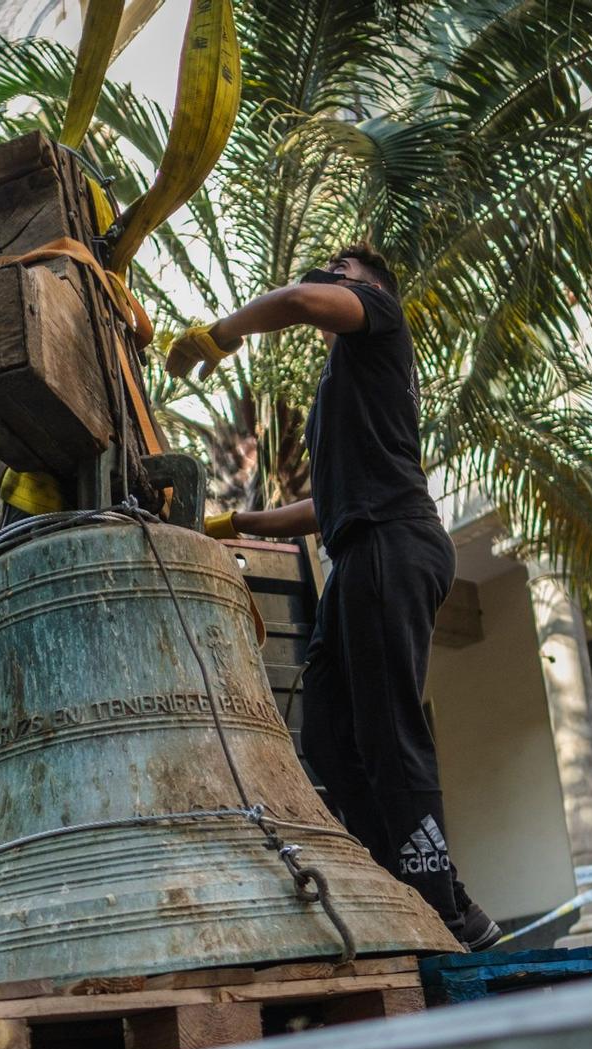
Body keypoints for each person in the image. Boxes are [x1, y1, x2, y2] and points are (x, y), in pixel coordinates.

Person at [167, 244, 501, 950]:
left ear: (371, 287)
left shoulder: (380, 316)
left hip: (390, 541)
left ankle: (439, 905)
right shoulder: (342, 385)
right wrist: (240, 523)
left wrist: (220, 334)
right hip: (358, 548)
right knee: (325, 733)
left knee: (388, 730)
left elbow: (292, 301)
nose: (324, 282)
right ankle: (428, 887)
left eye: (337, 273)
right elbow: (330, 501)